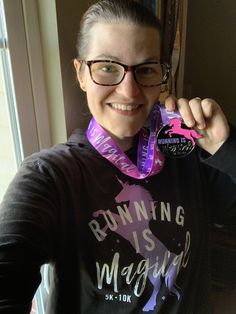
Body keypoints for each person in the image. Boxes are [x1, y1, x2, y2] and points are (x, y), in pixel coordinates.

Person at [0, 0, 236, 313]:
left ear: (161, 77)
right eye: (108, 67)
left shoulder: (192, 158)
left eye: (146, 69)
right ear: (81, 74)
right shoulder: (50, 176)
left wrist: (226, 145)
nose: (129, 91)